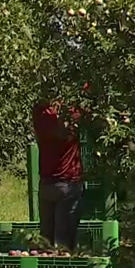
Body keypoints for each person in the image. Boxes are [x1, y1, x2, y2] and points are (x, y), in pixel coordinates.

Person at [32, 98, 84, 252]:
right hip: (67, 182)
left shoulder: (40, 114)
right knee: (64, 244)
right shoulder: (71, 114)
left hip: (46, 184)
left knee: (45, 242)